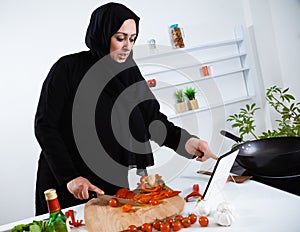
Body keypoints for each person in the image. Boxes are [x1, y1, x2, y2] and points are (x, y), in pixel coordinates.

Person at [34, 2, 218, 215]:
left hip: (110, 179)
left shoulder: (129, 73)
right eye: (120, 38)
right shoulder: (67, 69)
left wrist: (187, 141)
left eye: (132, 39)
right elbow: (45, 126)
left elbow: (152, 120)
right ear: (102, 35)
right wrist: (70, 178)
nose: (127, 46)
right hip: (67, 182)